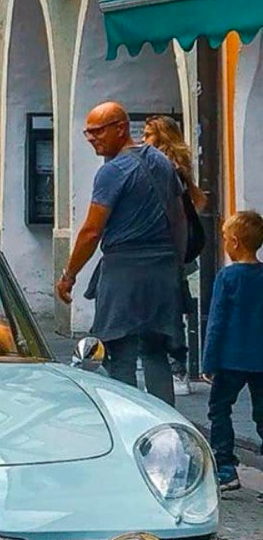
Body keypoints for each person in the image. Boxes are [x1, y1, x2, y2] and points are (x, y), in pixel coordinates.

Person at [56, 102, 186, 406]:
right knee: (156, 353)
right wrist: (175, 263)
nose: (91, 138)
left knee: (120, 354)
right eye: (88, 132)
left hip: (124, 271)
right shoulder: (161, 162)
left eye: (98, 131)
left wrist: (69, 275)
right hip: (162, 271)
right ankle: (165, 422)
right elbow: (178, 218)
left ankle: (125, 418)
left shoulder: (112, 172)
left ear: (121, 128)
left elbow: (91, 231)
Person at [142, 115, 205, 388]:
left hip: (169, 246)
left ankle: (177, 365)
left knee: (170, 306)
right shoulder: (177, 166)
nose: (143, 140)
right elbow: (197, 201)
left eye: (148, 135)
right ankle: (176, 362)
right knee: (174, 304)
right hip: (177, 245)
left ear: (162, 137)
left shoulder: (165, 168)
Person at [202, 210, 263, 493]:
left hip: (230, 358)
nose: (224, 243)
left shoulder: (227, 277)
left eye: (226, 238)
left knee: (220, 410)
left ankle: (225, 468)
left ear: (235, 243)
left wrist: (208, 361)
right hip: (260, 359)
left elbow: (216, 322)